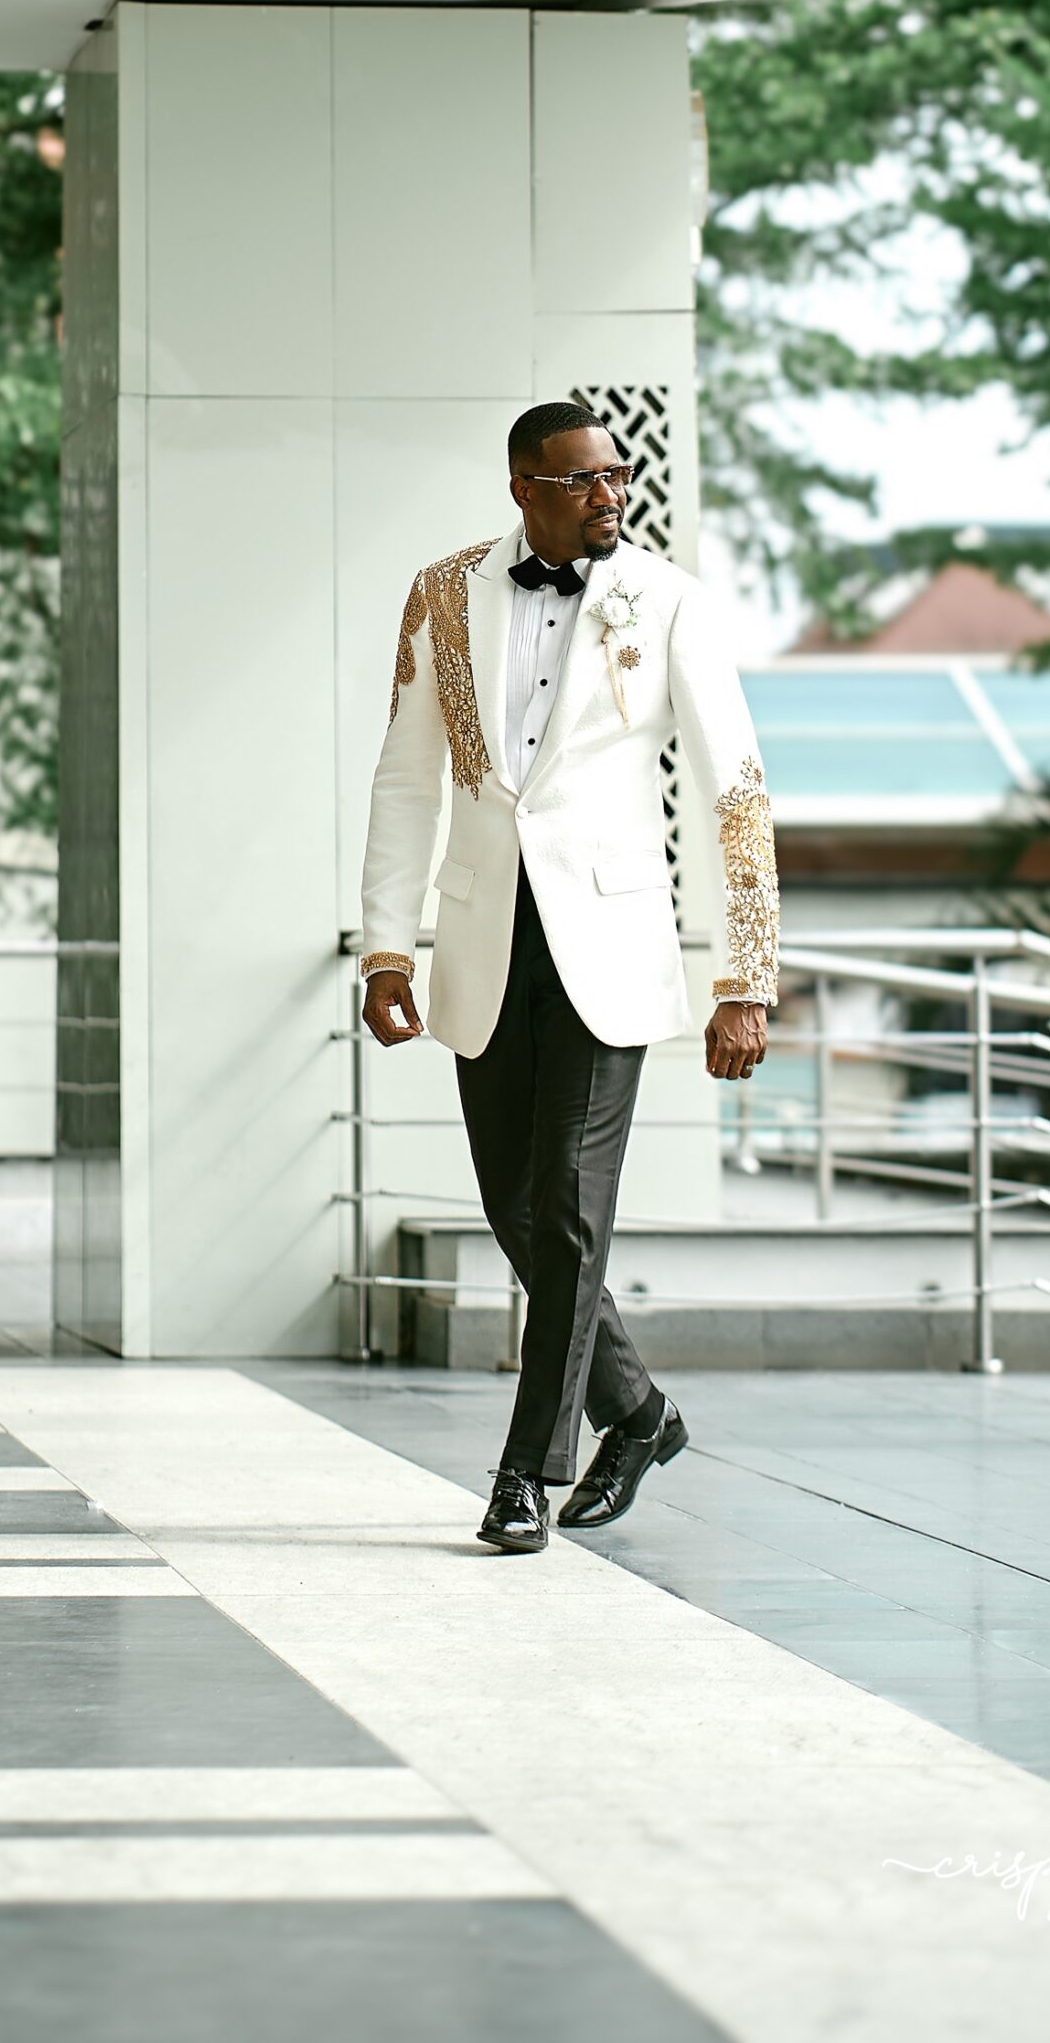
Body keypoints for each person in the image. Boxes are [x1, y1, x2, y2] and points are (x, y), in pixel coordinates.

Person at [357, 400, 779, 1553]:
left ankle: (521, 1475)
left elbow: (734, 788)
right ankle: (637, 1412)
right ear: (523, 486)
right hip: (484, 941)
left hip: (611, 942)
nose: (610, 496)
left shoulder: (669, 599)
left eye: (618, 475)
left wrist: (745, 976)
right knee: (515, 1207)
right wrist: (387, 945)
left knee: (568, 1210)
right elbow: (406, 778)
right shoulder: (444, 593)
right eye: (584, 479)